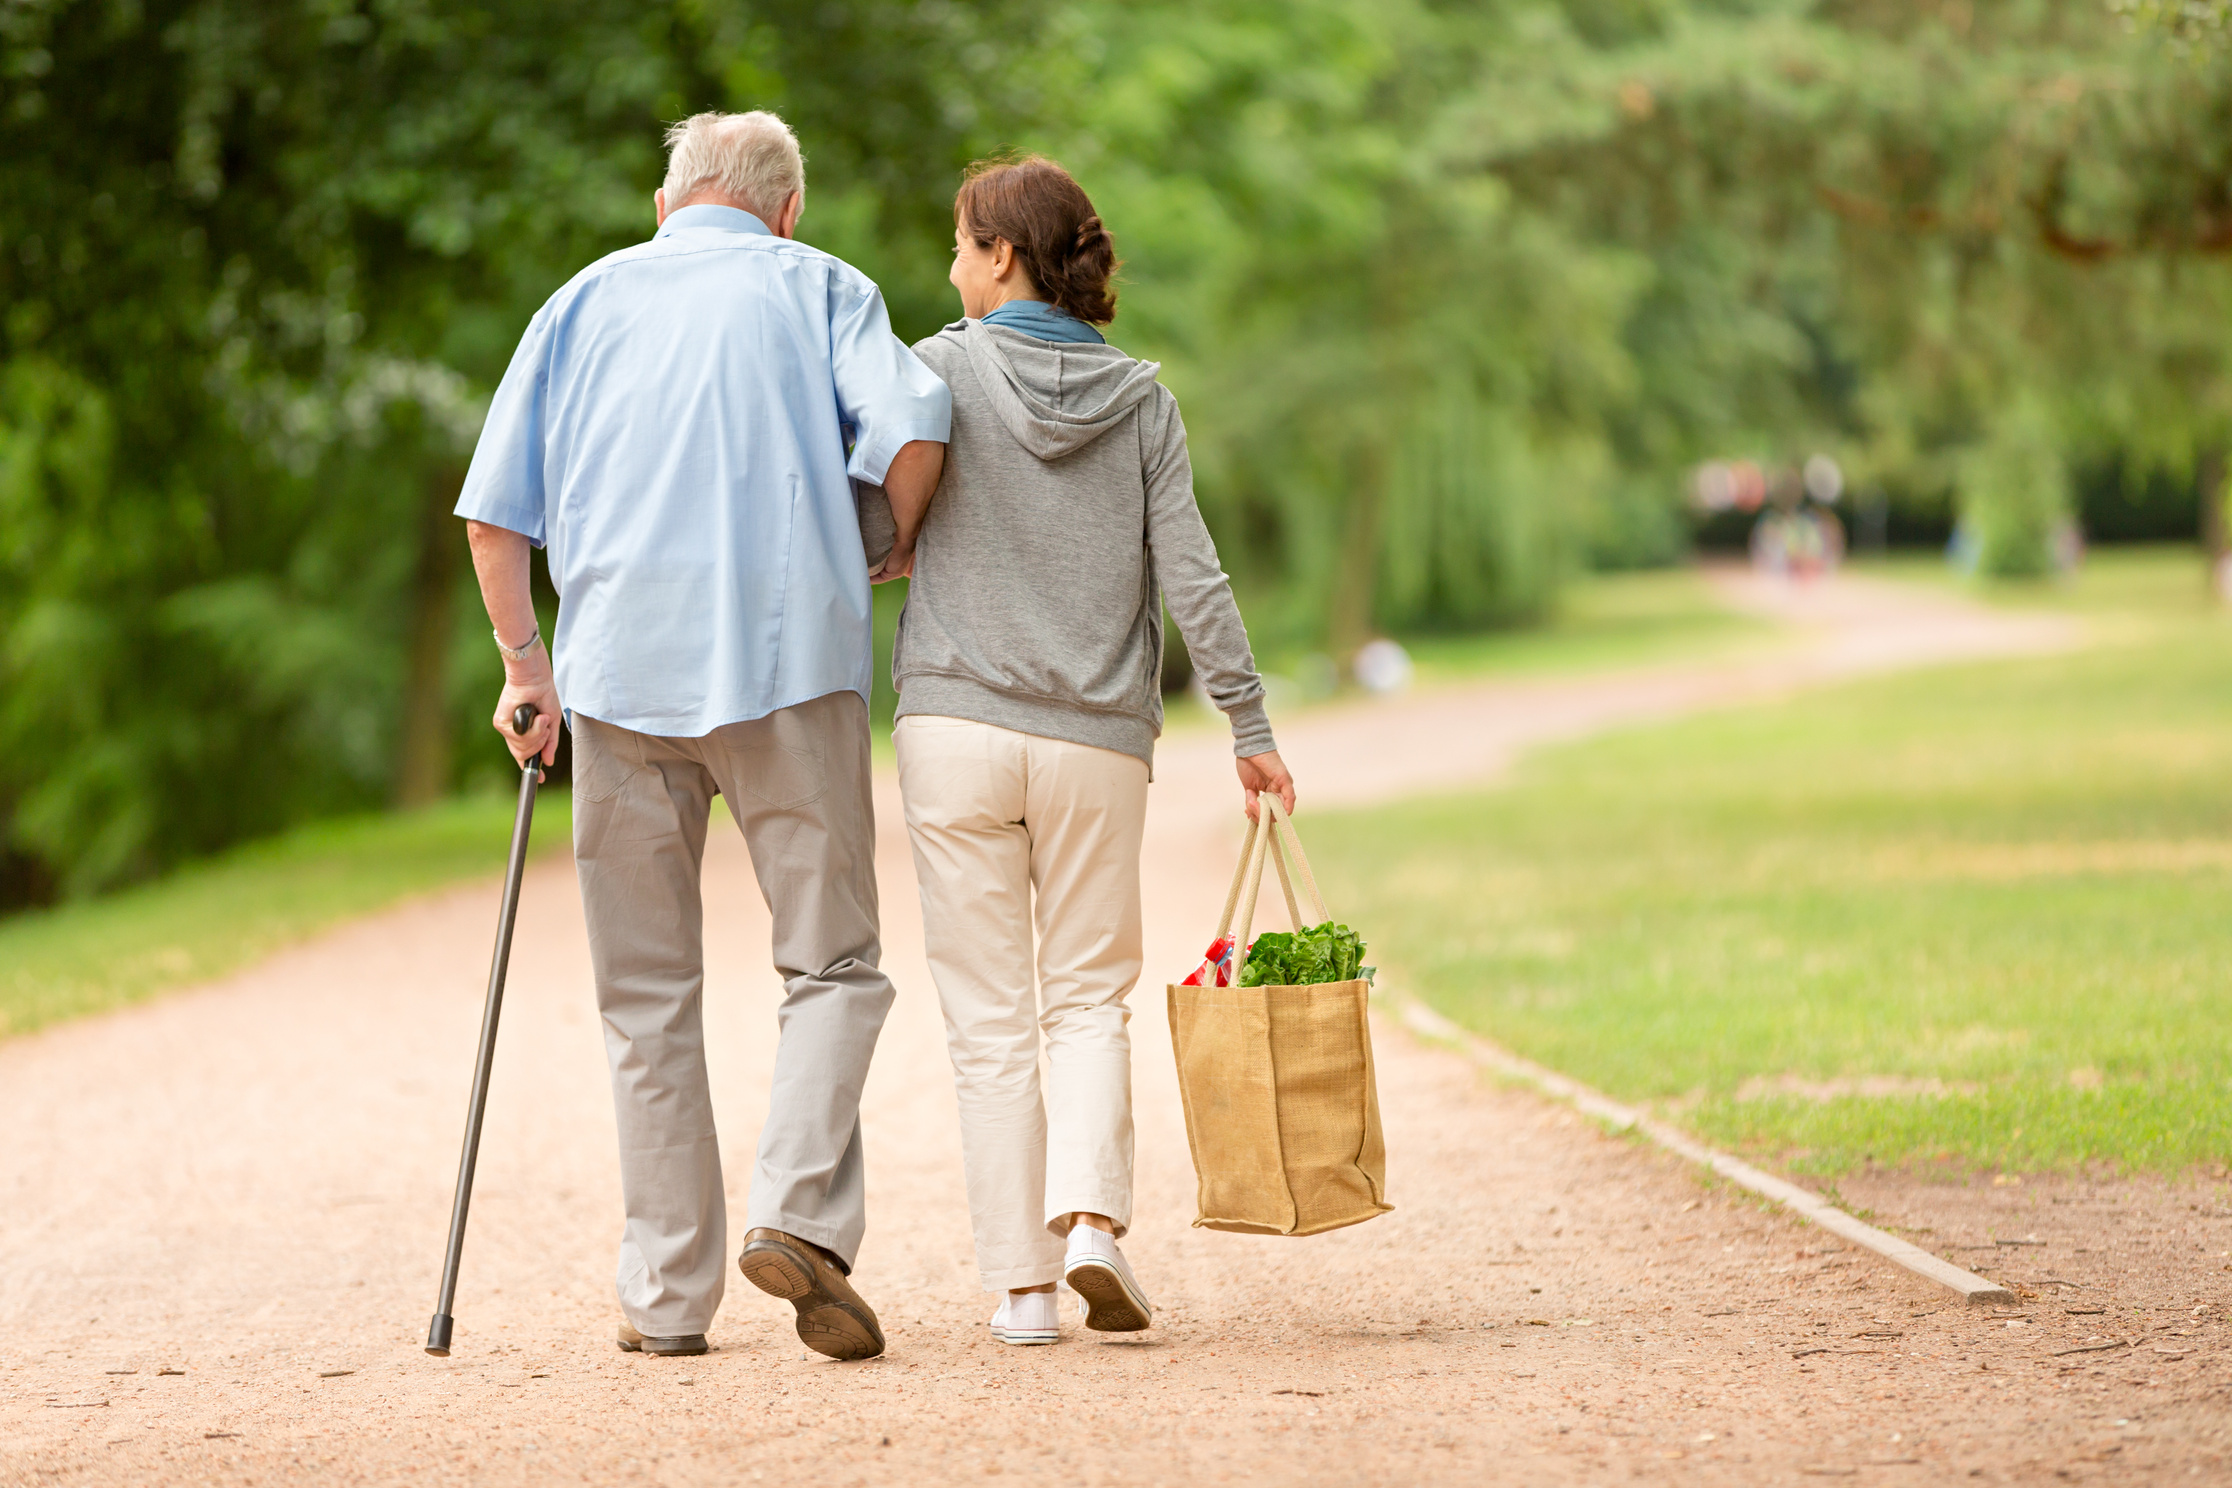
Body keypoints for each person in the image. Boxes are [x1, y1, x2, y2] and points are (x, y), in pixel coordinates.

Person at [454, 111, 950, 1362]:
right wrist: (882, 544)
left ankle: (668, 1300)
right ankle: (795, 1214)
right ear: (784, 209)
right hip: (790, 671)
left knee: (644, 996)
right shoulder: (824, 288)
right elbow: (917, 430)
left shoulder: (580, 301)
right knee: (833, 966)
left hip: (619, 681)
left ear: (667, 200)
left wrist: (529, 669)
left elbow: (494, 521)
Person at [885, 155, 1295, 1345]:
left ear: (1003, 256)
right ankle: (1095, 1230)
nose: (952, 266)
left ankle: (1019, 1291)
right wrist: (1250, 726)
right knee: (1084, 1001)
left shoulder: (938, 371)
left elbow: (876, 525)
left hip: (956, 727)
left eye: (962, 244)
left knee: (988, 1017)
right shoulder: (1143, 401)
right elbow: (1195, 580)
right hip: (1095, 746)